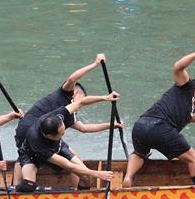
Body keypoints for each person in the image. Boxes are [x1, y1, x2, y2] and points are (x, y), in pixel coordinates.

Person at [124, 43, 195, 188]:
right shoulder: (186, 86)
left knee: (140, 153)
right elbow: (178, 66)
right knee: (193, 158)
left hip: (140, 126)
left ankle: (128, 177)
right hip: (160, 127)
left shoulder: (189, 113)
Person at [12, 54, 119, 188]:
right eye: (81, 97)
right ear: (76, 93)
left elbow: (84, 127)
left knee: (76, 160)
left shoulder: (62, 113)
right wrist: (95, 64)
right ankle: (16, 186)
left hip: (50, 129)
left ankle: (80, 188)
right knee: (25, 154)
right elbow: (73, 78)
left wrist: (107, 102)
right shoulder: (65, 92)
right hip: (29, 130)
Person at [14, 93, 119, 192]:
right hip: (31, 154)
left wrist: (105, 98)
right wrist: (97, 174)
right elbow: (68, 165)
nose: (64, 133)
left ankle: (82, 194)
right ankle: (14, 188)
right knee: (29, 185)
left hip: (57, 146)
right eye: (62, 134)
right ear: (49, 135)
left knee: (85, 174)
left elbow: (80, 102)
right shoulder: (37, 142)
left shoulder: (59, 115)